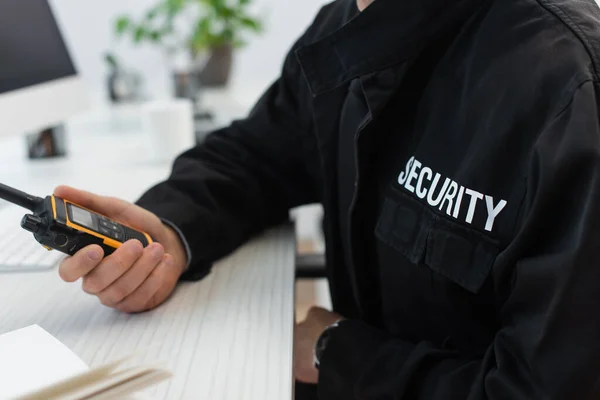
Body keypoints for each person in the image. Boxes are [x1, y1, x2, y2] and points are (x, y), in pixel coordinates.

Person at [57, 0, 600, 398]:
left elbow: (547, 388)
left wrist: (335, 352)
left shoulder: (561, 86)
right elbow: (256, 153)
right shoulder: (349, 25)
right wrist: (169, 231)